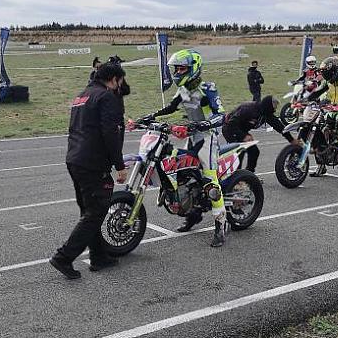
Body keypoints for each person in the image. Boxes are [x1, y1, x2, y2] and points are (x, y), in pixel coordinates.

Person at [141, 49, 228, 247]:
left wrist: (205, 124)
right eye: (177, 68)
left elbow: (221, 114)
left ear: (193, 68)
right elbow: (170, 108)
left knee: (210, 180)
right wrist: (150, 116)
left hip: (207, 138)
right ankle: (193, 214)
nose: (178, 72)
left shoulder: (208, 88)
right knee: (184, 175)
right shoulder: (183, 90)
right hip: (191, 136)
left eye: (182, 68)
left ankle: (221, 225)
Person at [49, 63, 128, 280]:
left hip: (74, 159)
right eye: (119, 81)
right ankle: (63, 257)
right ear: (113, 78)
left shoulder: (81, 96)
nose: (120, 86)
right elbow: (110, 134)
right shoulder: (106, 97)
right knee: (95, 212)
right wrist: (120, 166)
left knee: (90, 211)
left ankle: (99, 256)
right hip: (92, 162)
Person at [305, 56, 338, 177]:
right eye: (323, 73)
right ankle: (321, 166)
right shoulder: (328, 82)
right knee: (318, 130)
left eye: (326, 72)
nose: (325, 75)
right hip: (332, 111)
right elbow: (316, 92)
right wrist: (305, 99)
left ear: (334, 70)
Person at [222, 96, 294, 173]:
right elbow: (231, 124)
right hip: (229, 128)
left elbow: (279, 127)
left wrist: (292, 140)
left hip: (241, 130)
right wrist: (243, 136)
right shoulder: (248, 109)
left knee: (254, 151)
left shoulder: (266, 114)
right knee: (240, 151)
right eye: (274, 107)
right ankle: (235, 176)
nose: (275, 110)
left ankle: (249, 174)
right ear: (268, 106)